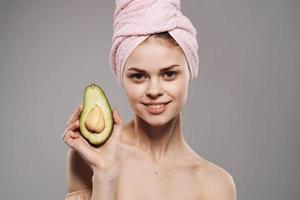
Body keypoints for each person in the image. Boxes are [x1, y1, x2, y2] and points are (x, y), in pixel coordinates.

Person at [61, 1, 237, 200]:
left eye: (169, 74)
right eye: (138, 76)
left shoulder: (215, 184)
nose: (154, 91)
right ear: (121, 78)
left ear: (191, 71)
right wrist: (105, 175)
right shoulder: (90, 157)